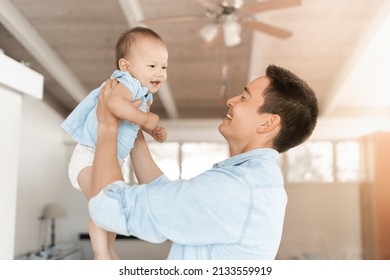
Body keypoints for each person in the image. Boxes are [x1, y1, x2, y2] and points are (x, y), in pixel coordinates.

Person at [87, 64, 319, 259]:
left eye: (244, 97)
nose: (231, 100)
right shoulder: (255, 181)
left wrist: (107, 125)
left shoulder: (238, 188)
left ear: (267, 123)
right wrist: (132, 126)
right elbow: (170, 199)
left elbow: (107, 206)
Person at [61, 26, 168, 259]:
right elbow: (115, 107)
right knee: (101, 202)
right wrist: (146, 118)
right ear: (125, 67)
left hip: (108, 159)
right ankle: (101, 253)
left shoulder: (141, 92)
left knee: (110, 208)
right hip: (89, 157)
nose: (159, 72)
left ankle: (108, 250)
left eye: (163, 67)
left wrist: (151, 130)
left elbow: (129, 124)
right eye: (152, 66)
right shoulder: (125, 84)